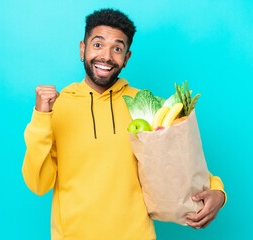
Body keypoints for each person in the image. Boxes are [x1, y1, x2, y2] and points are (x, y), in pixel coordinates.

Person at [22, 8, 226, 240]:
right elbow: (38, 183)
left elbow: (180, 158)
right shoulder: (58, 107)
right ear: (82, 49)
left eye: (117, 48)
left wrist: (218, 191)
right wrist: (41, 116)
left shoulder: (144, 104)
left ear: (127, 58)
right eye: (98, 45)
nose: (106, 56)